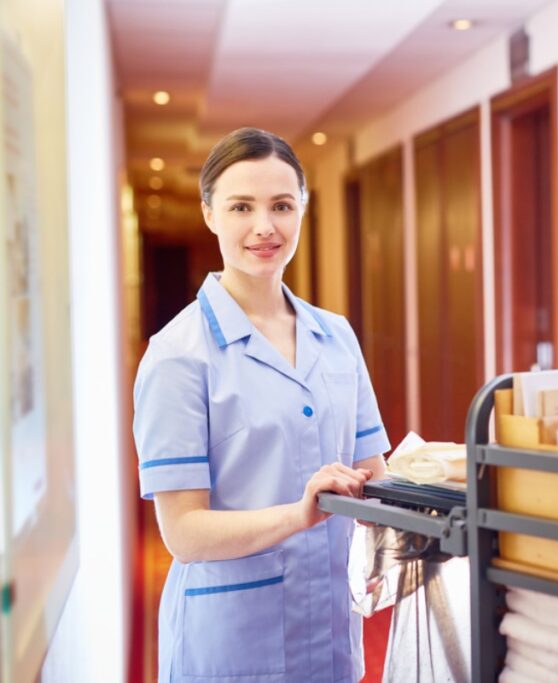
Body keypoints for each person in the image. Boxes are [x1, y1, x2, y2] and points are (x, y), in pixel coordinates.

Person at [133, 127, 390, 683]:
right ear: (209, 213)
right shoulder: (177, 356)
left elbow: (372, 473)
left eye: (281, 205)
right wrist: (299, 516)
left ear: (303, 208)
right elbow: (184, 533)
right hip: (232, 642)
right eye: (241, 206)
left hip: (331, 633)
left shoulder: (337, 337)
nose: (264, 227)